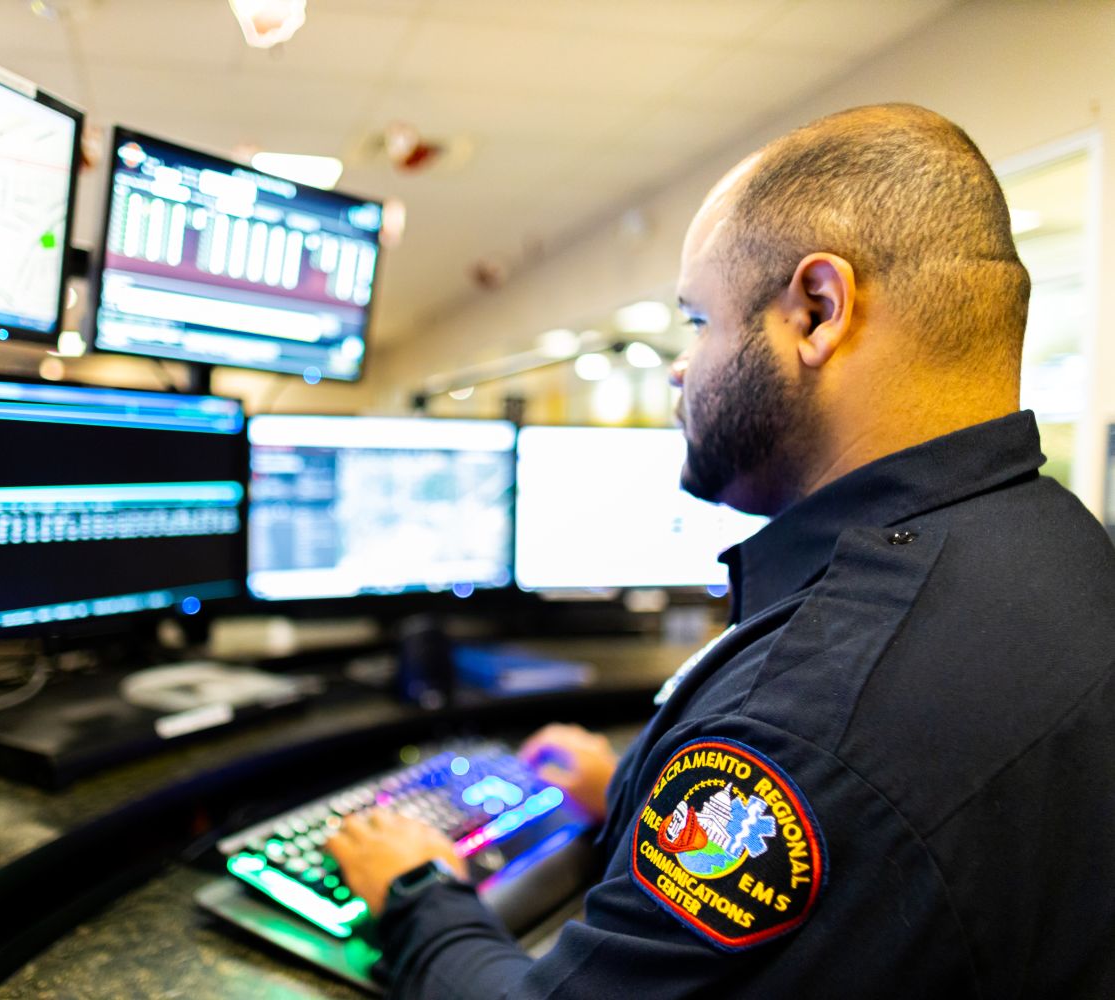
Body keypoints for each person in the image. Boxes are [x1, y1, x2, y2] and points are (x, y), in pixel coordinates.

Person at [328, 104, 1115, 997]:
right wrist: (632, 793)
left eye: (698, 321)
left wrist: (420, 893)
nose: (678, 368)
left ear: (817, 311)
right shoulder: (1063, 546)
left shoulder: (799, 725)